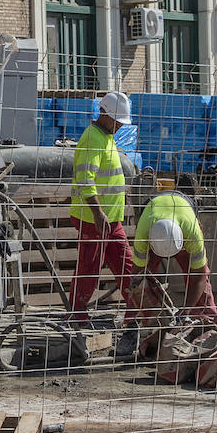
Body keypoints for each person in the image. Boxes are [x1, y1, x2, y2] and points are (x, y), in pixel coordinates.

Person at [67, 92, 139, 335]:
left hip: (110, 218)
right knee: (89, 267)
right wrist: (97, 213)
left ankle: (134, 311)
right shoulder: (92, 138)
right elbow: (85, 179)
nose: (120, 125)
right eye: (117, 120)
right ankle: (76, 313)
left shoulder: (106, 136)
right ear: (104, 113)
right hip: (94, 219)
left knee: (125, 264)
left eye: (122, 121)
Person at [129, 175, 217, 331]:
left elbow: (200, 277)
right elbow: (137, 274)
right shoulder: (143, 233)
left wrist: (186, 311)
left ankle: (208, 320)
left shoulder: (192, 232)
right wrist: (138, 293)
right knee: (141, 281)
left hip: (183, 212)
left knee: (200, 275)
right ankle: (133, 324)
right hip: (154, 215)